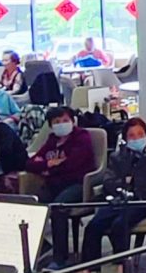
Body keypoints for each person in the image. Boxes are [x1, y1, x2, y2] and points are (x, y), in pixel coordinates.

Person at [82, 118, 146, 265]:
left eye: (140, 134)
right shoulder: (117, 158)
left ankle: (122, 268)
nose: (136, 138)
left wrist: (132, 180)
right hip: (118, 200)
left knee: (119, 225)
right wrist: (126, 182)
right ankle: (88, 271)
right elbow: (108, 182)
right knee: (93, 226)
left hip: (144, 202)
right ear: (125, 138)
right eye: (131, 135)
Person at [23, 105, 97, 262]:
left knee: (58, 208)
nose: (62, 124)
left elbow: (73, 165)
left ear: (73, 121)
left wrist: (49, 169)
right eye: (57, 122)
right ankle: (41, 248)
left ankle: (60, 259)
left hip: (77, 184)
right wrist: (48, 164)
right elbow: (30, 164)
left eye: (65, 120)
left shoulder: (81, 137)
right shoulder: (52, 140)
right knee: (29, 205)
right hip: (54, 184)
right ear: (51, 126)